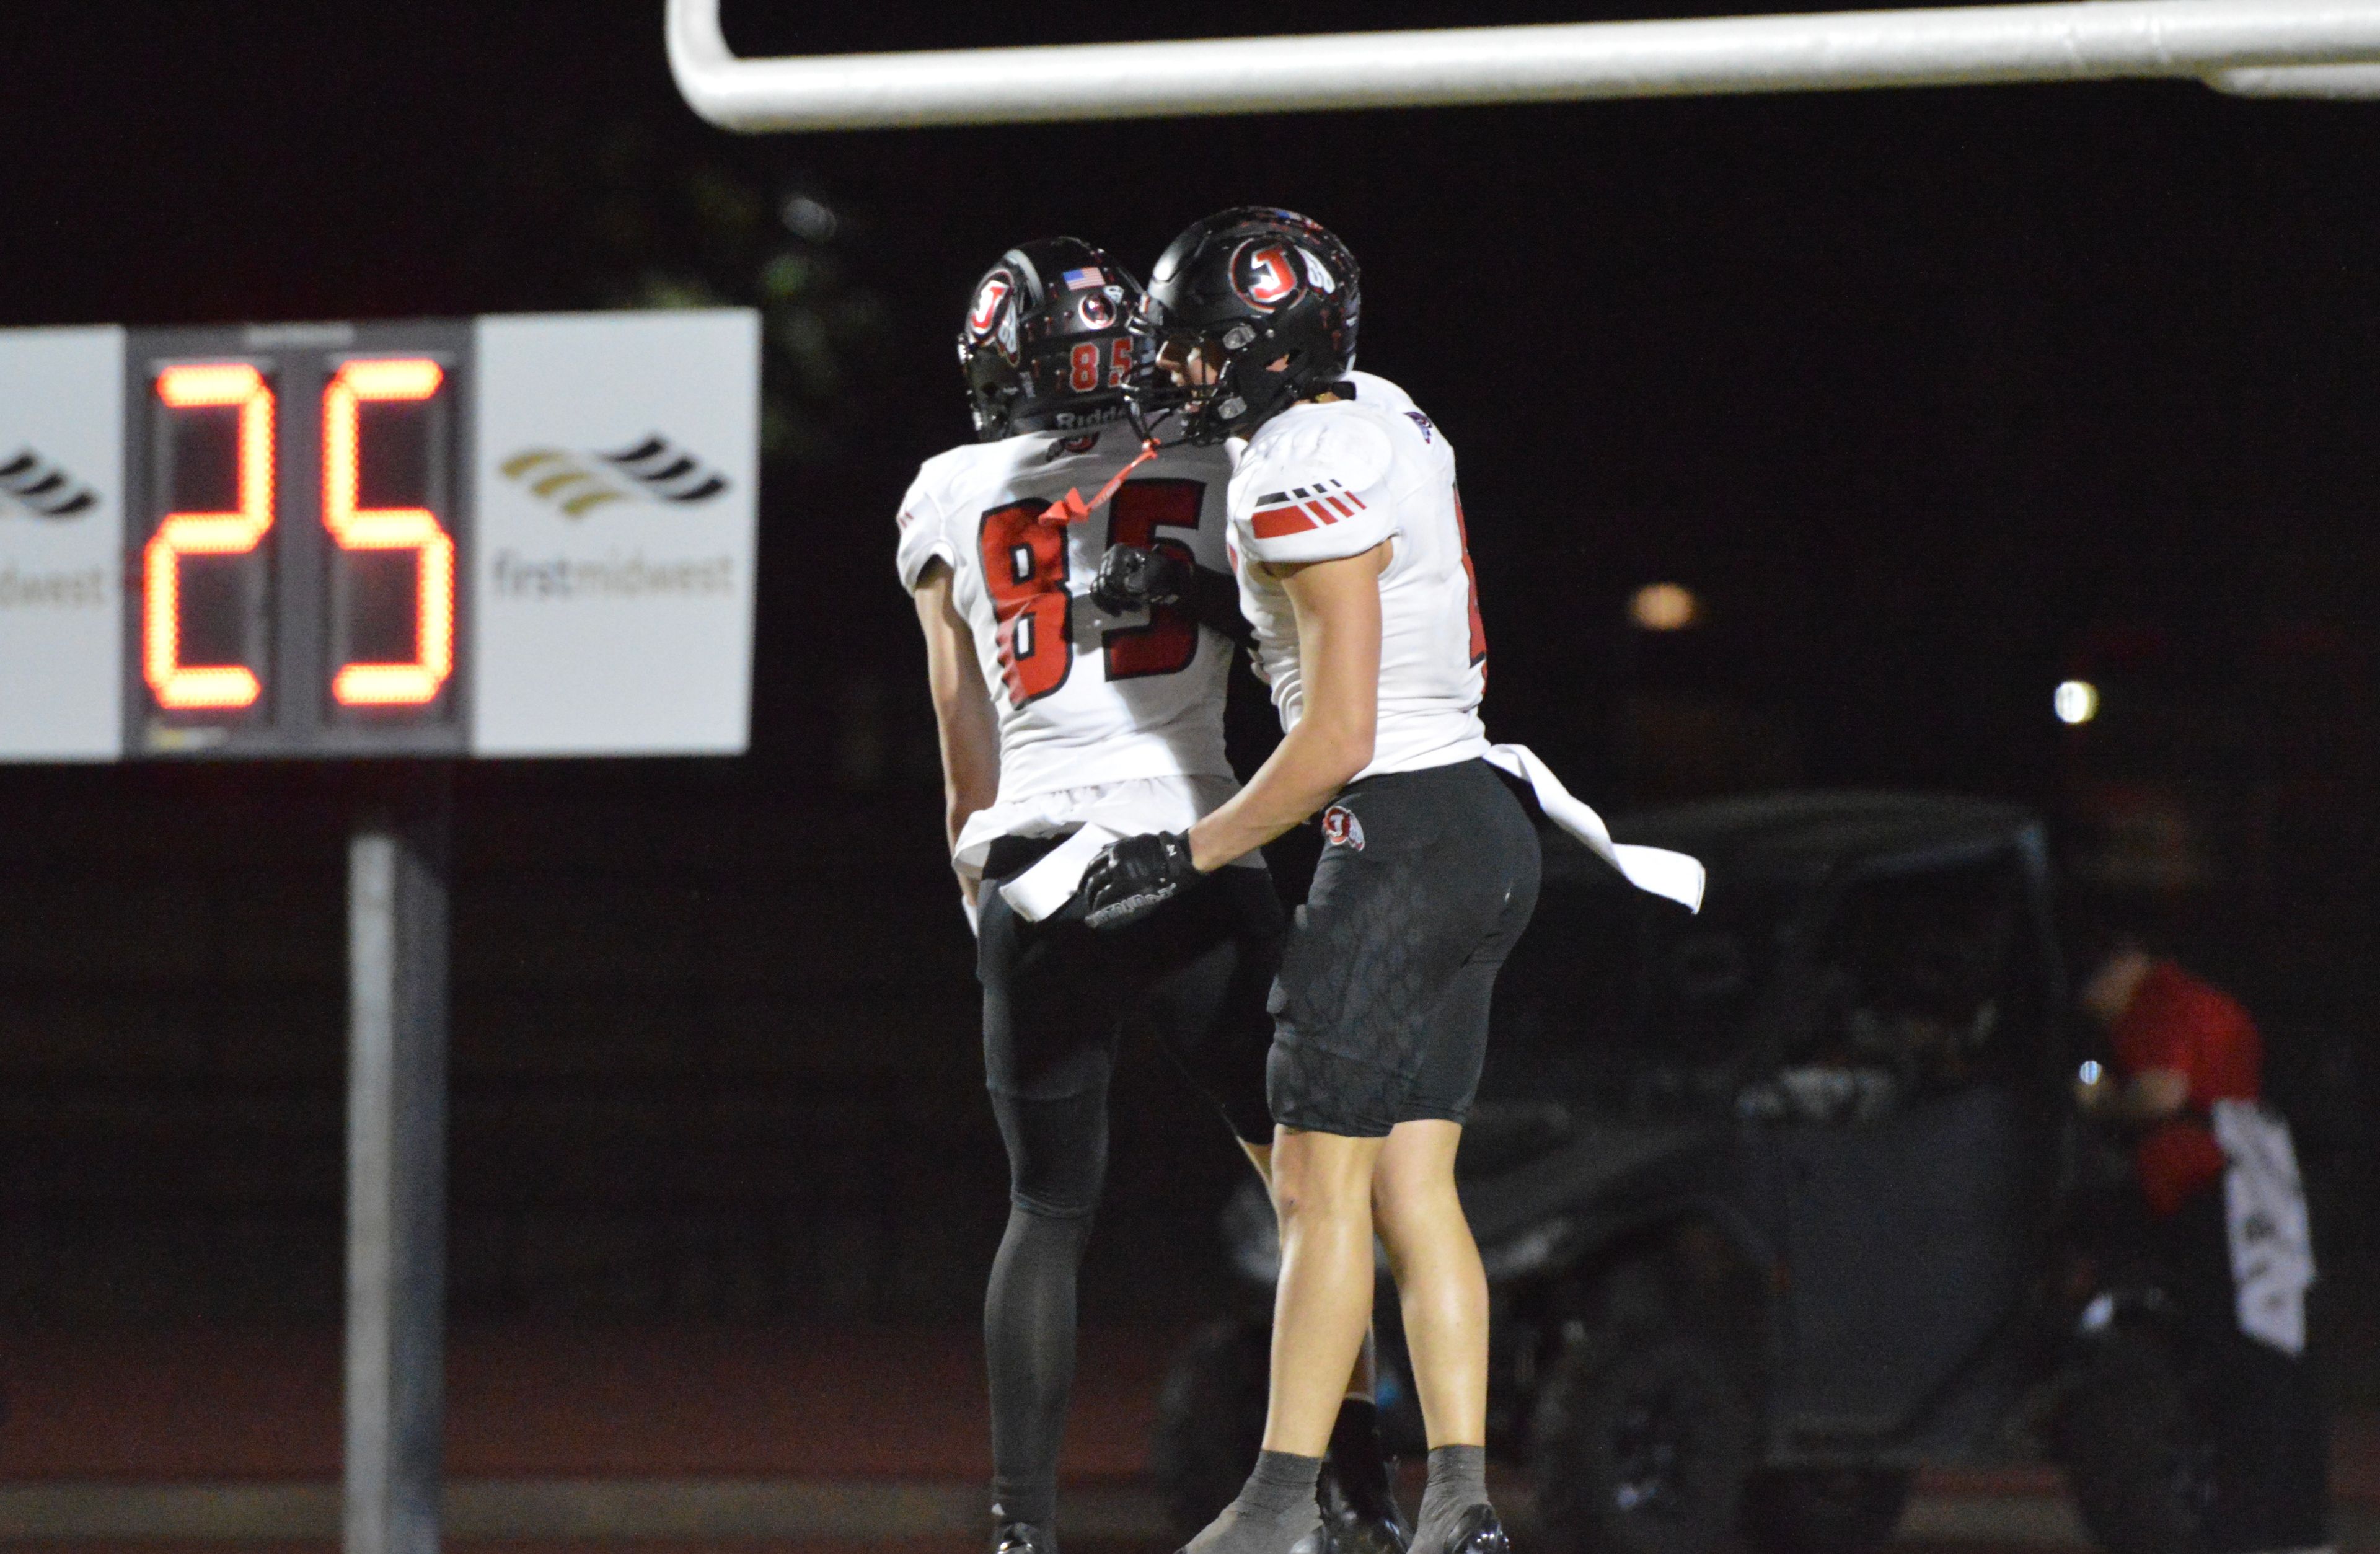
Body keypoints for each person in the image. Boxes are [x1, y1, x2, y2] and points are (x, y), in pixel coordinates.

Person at [900, 237, 1403, 1554]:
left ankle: (1022, 1528)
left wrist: (987, 899)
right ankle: (1351, 1490)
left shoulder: (949, 492)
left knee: (1048, 1207)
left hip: (1036, 859)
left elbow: (967, 752)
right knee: (1316, 1191)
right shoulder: (1222, 460)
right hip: (1196, 842)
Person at [1080, 208, 1543, 1554]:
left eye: (1194, 351)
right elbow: (1350, 638)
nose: (1175, 377)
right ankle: (1457, 1498)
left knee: (1318, 1186)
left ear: (1256, 352)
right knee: (1415, 1189)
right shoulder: (1382, 414)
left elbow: (1333, 736)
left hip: (1393, 837)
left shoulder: (1296, 462)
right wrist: (1191, 586)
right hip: (1479, 827)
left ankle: (1284, 1499)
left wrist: (1190, 845)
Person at [2076, 931, 2330, 1554]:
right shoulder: (2151, 1013)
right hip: (2233, 1193)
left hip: (2232, 1196)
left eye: (2093, 991)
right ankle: (2291, 1532)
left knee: (2252, 1365)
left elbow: (2161, 1090)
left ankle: (2250, 1532)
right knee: (2269, 1359)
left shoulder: (2168, 1002)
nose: (2093, 1008)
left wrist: (2103, 1100)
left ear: (2121, 968)